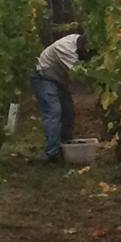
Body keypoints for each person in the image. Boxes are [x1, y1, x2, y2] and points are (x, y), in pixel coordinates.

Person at [31, 29, 88, 163]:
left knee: (68, 111)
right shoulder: (66, 48)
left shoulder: (77, 40)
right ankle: (52, 153)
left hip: (58, 78)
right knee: (53, 111)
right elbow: (79, 73)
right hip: (43, 77)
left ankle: (65, 147)